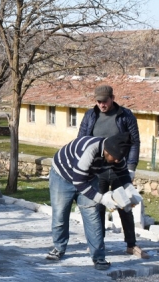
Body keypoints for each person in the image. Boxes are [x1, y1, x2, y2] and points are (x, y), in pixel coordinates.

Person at [45, 133, 139, 270]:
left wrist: (130, 192)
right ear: (107, 151)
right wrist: (102, 198)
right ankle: (59, 248)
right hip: (62, 177)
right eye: (116, 158)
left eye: (120, 159)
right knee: (60, 214)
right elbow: (78, 182)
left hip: (88, 178)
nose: (118, 161)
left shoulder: (117, 156)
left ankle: (99, 257)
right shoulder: (89, 150)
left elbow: (123, 174)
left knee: (92, 216)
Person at [78, 84, 149, 259]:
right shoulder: (90, 116)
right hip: (97, 169)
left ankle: (131, 245)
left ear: (112, 98)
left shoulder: (125, 116)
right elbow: (81, 141)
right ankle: (98, 244)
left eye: (105, 101)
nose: (102, 104)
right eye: (98, 101)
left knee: (125, 205)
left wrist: (131, 167)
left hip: (120, 168)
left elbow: (135, 142)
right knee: (99, 206)